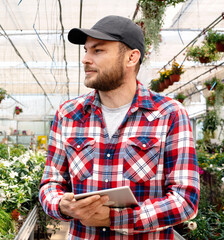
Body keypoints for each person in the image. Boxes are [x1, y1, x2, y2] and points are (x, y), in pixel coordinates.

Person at [39, 15, 200, 240]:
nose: (85, 59)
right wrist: (62, 204)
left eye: (98, 51)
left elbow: (185, 200)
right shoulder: (68, 115)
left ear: (131, 58)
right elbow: (51, 183)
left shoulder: (169, 114)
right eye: (86, 50)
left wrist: (113, 219)